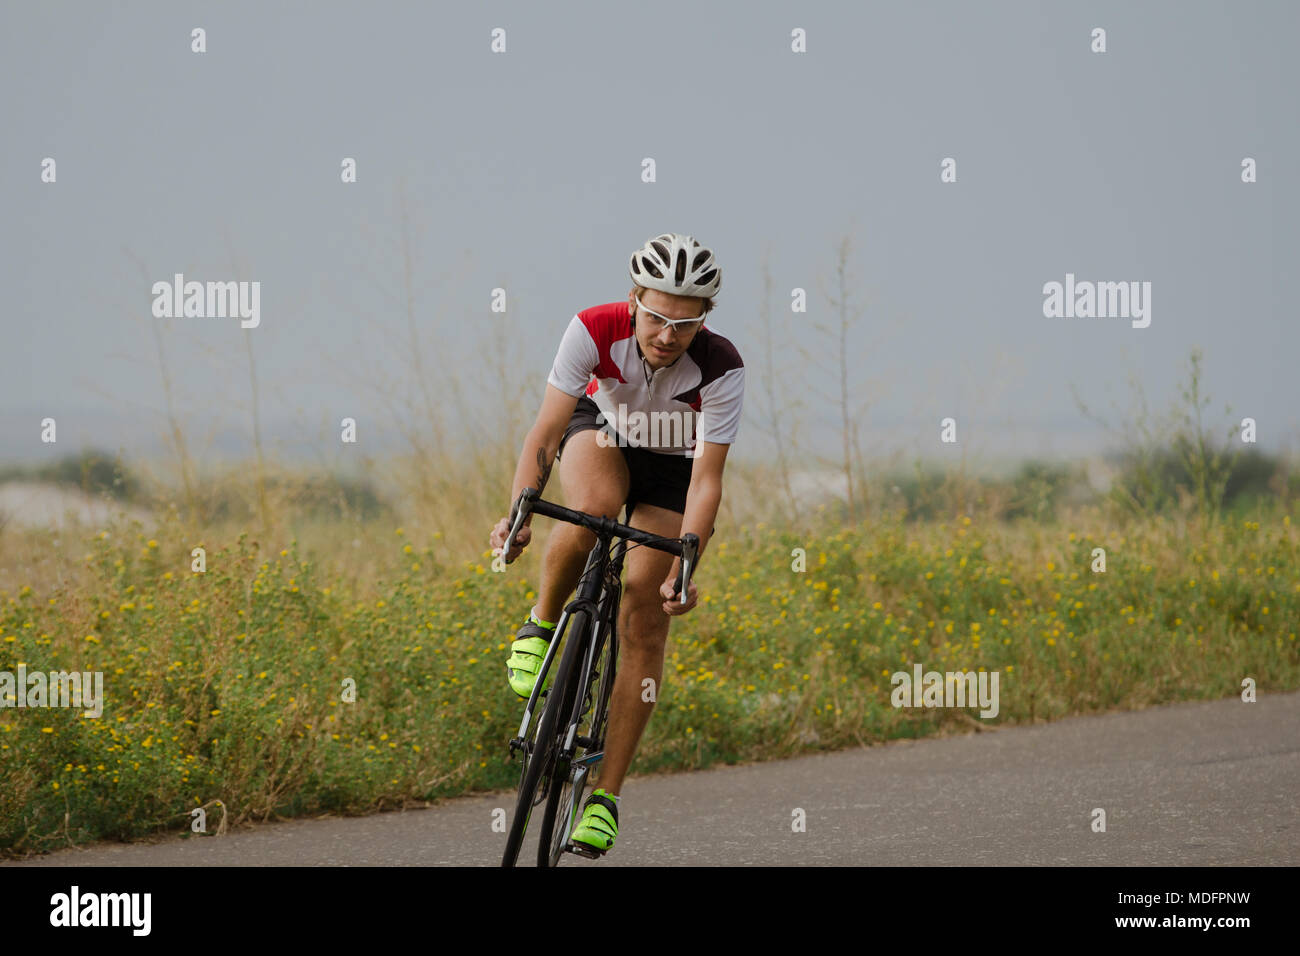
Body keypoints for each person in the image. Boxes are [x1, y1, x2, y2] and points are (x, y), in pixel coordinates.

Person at [489, 233, 745, 856]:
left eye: (685, 323)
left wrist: (686, 569)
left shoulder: (721, 365)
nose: (667, 334)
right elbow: (544, 435)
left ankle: (604, 797)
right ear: (634, 299)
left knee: (643, 609)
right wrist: (519, 512)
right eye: (657, 316)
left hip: (671, 469)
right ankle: (541, 623)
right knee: (590, 512)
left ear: (704, 318)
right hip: (600, 433)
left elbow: (707, 481)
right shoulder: (593, 328)